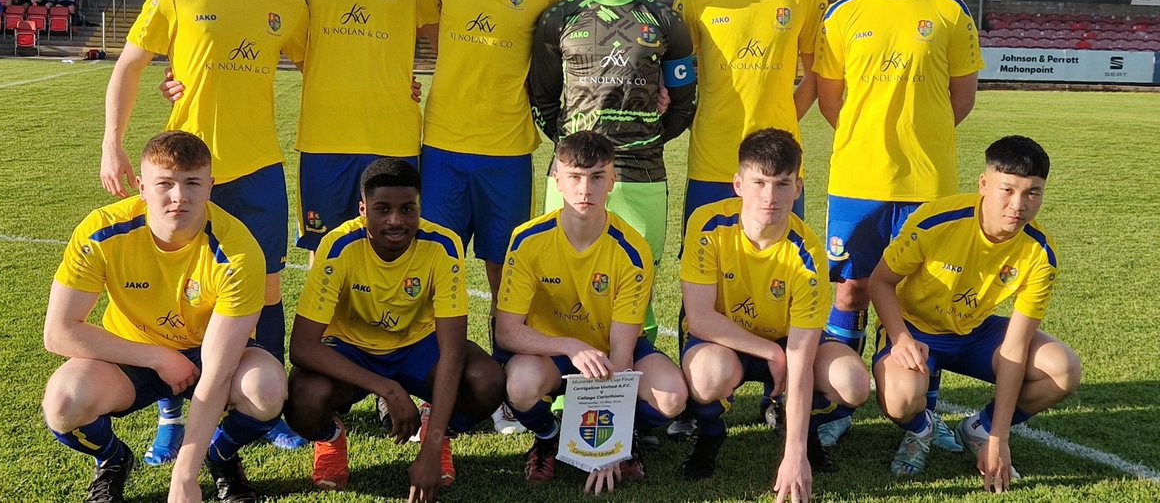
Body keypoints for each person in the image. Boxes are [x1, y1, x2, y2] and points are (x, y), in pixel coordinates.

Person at [100, 0, 309, 463]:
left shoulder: (288, 3)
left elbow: (326, 62)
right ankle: (172, 412)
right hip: (185, 172)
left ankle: (264, 415)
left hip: (257, 167)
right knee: (178, 289)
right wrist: (112, 145)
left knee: (266, 288)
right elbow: (130, 66)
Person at [813, 0, 983, 448]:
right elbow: (831, 102)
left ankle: (923, 416)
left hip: (929, 186)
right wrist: (872, 140)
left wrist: (918, 139)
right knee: (849, 293)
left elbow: (962, 100)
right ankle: (840, 404)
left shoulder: (950, 14)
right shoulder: (843, 16)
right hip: (857, 182)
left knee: (922, 298)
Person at [41, 131, 288, 503]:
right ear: (141, 187)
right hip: (130, 355)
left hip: (206, 355)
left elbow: (218, 373)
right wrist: (156, 357)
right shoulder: (102, 231)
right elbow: (58, 333)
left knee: (266, 389)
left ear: (210, 186)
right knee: (64, 401)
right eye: (165, 184)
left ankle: (219, 457)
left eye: (192, 183)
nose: (179, 197)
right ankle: (112, 460)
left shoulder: (238, 251)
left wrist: (184, 478)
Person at [285, 159, 505, 500]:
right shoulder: (338, 245)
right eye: (382, 209)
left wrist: (431, 449)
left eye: (407, 209)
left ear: (419, 207)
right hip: (352, 350)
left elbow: (452, 350)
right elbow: (302, 347)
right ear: (363, 209)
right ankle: (330, 439)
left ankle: (439, 430)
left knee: (486, 380)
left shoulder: (443, 245)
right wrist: (386, 389)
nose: (395, 220)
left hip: (418, 349)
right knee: (303, 397)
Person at [870, 135, 1080, 489]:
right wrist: (901, 337)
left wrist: (998, 437)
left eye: (1033, 193)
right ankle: (921, 430)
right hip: (916, 328)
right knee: (902, 396)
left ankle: (977, 429)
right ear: (984, 184)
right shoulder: (937, 221)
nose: (1018, 204)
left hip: (974, 333)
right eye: (1007, 190)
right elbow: (880, 281)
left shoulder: (1039, 254)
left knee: (1063, 369)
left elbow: (1014, 348)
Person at [529, 0, 697, 341]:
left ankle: (631, 391)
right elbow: (543, 98)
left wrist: (648, 141)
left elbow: (683, 104)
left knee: (636, 285)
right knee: (563, 285)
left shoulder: (666, 20)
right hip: (569, 178)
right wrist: (573, 154)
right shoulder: (558, 18)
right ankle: (561, 392)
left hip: (642, 177)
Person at [267, 0, 438, 260]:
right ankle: (325, 330)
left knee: (395, 247)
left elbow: (443, 42)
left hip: (392, 133)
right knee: (325, 251)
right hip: (325, 133)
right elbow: (259, 30)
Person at [496, 131, 688, 493]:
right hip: (551, 351)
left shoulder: (633, 249)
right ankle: (549, 436)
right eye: (575, 177)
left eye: (597, 177)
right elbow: (506, 331)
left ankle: (626, 435)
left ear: (613, 180)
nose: (585, 189)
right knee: (520, 387)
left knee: (673, 397)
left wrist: (607, 446)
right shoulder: (527, 240)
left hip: (610, 350)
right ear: (558, 179)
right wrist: (570, 346)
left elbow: (621, 353)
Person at [679, 129, 869, 495]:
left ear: (797, 188)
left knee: (853, 383)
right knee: (707, 375)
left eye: (782, 184)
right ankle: (710, 434)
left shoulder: (807, 252)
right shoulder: (707, 225)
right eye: (759, 182)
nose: (770, 197)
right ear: (738, 184)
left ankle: (805, 434)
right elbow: (700, 318)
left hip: (788, 341)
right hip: (725, 341)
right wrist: (769, 351)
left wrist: (795, 454)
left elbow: (799, 358)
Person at [423, 0, 571, 325]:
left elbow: (566, 50)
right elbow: (428, 26)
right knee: (433, 270)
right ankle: (430, 390)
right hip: (443, 144)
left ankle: (509, 385)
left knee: (505, 272)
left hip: (507, 149)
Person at [675, 0, 825, 224]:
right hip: (712, 159)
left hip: (779, 161)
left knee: (779, 265)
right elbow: (677, 70)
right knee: (706, 266)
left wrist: (784, 117)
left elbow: (817, 74)